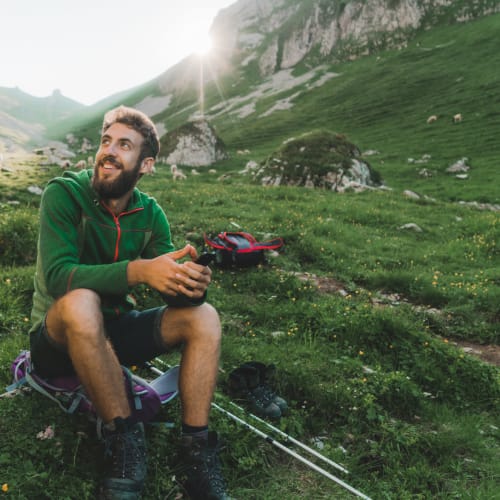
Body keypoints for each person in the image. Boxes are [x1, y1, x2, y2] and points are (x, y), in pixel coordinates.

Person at [29, 105, 229, 500]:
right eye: (106, 141)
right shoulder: (64, 194)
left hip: (114, 333)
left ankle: (195, 451)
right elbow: (58, 277)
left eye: (124, 145)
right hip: (57, 338)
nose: (109, 151)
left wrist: (191, 284)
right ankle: (124, 439)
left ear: (146, 164)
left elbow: (169, 286)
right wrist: (139, 271)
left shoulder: (151, 214)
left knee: (204, 317)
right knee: (81, 300)